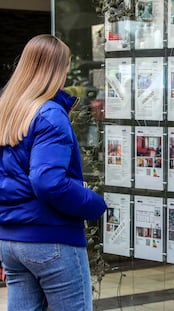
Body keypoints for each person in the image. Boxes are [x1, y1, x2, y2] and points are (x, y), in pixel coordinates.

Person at [0, 34, 107, 310]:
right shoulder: (49, 114)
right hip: (52, 238)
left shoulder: (8, 112)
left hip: (11, 241)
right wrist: (92, 203)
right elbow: (47, 181)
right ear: (57, 69)